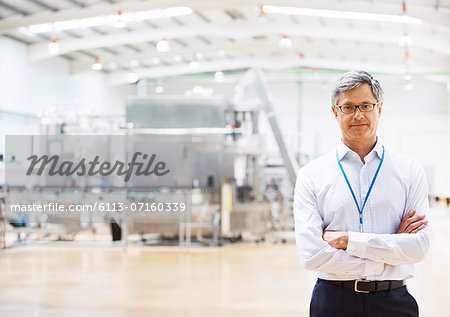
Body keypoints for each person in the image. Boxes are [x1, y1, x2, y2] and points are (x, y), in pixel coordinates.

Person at [294, 70, 430, 317]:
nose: (358, 115)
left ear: (379, 109)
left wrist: (349, 241)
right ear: (335, 112)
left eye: (366, 105)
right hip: (333, 301)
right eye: (348, 107)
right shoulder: (311, 175)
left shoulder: (409, 171)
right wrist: (388, 255)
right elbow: (312, 255)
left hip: (394, 301)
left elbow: (418, 247)